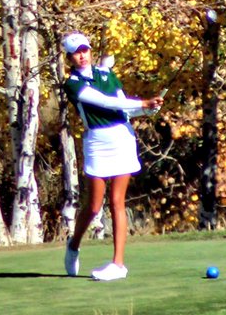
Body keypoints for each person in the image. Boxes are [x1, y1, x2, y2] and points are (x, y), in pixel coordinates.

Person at [62, 32, 162, 281]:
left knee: (117, 201)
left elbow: (122, 108)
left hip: (122, 138)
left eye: (85, 49)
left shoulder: (107, 75)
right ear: (69, 58)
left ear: (90, 50)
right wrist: (143, 103)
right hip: (97, 142)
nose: (82, 55)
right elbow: (105, 103)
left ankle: (118, 264)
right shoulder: (72, 84)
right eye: (76, 52)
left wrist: (148, 110)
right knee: (94, 205)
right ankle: (74, 244)